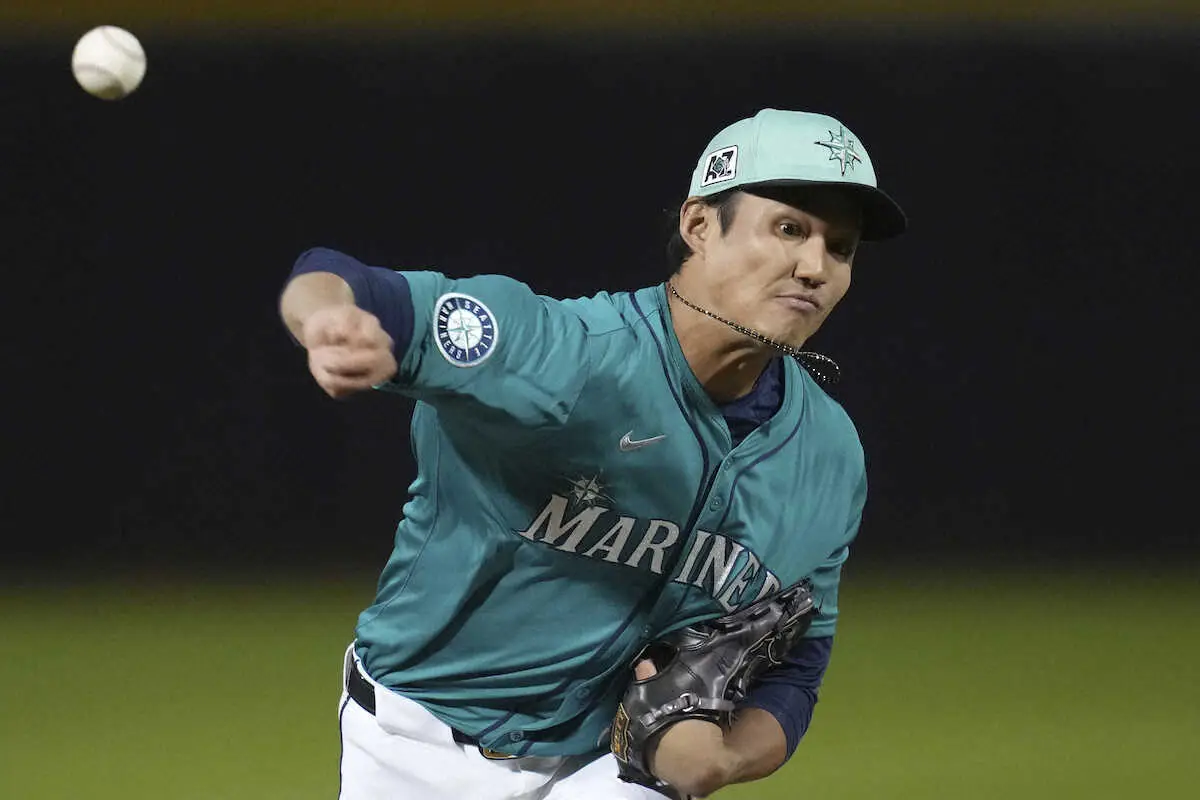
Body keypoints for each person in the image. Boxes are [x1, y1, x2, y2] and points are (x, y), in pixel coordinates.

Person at [278, 108, 906, 799]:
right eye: (790, 228)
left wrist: (726, 760)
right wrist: (327, 321)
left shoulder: (829, 455)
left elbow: (798, 663)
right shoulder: (560, 355)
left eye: (840, 247)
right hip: (415, 741)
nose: (814, 267)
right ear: (699, 226)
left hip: (612, 764)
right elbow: (336, 276)